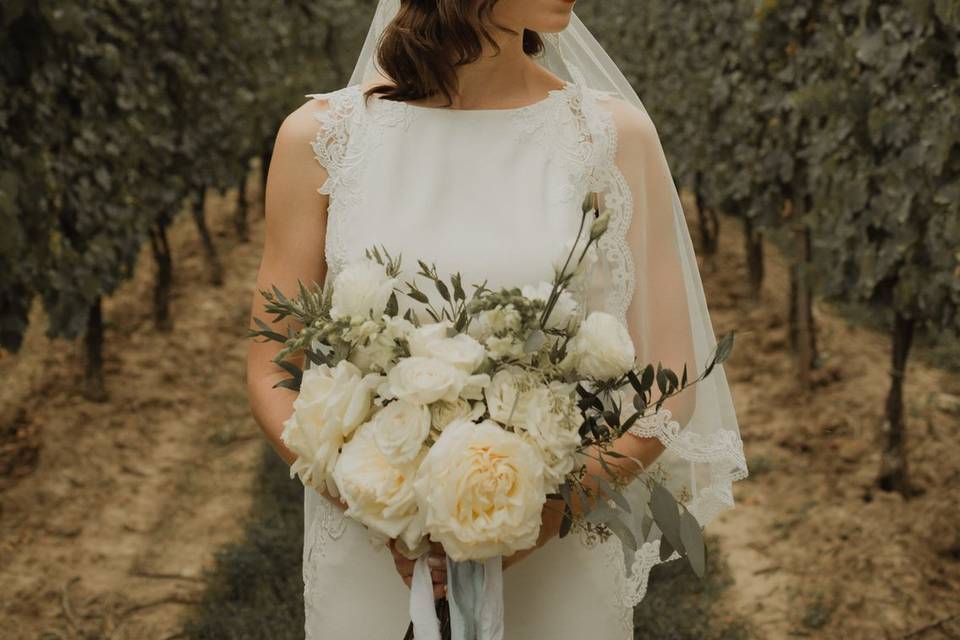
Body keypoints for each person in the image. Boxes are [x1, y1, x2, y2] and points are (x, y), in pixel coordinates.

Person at [246, 1, 747, 637]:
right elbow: (271, 366)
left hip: (555, 556)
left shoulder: (611, 139)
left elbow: (671, 378)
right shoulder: (322, 139)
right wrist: (389, 511)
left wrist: (536, 519)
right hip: (372, 551)